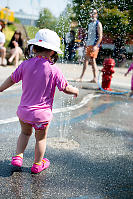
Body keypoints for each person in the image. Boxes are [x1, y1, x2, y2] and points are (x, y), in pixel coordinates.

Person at [0, 29, 79, 174]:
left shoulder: (25, 64)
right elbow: (65, 88)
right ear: (53, 52)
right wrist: (75, 90)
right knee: (40, 139)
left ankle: (18, 156)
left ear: (34, 48)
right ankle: (37, 164)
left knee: (25, 133)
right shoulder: (54, 69)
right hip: (41, 116)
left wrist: (1, 88)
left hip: (24, 112)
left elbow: (12, 79)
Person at [77, 9, 103, 82]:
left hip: (93, 45)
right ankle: (95, 78)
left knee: (89, 61)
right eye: (91, 13)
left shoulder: (98, 23)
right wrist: (86, 43)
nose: (92, 14)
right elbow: (89, 36)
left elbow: (100, 36)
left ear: (96, 14)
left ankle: (82, 77)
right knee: (91, 61)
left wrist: (96, 45)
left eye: (94, 13)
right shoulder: (90, 24)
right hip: (89, 44)